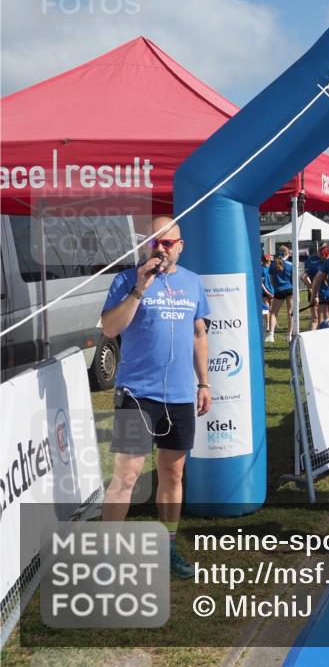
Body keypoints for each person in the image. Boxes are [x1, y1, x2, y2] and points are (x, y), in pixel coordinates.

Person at [99, 216, 210, 579]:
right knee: (127, 476)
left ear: (180, 246)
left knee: (173, 472)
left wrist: (204, 382)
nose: (160, 249)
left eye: (168, 243)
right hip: (136, 394)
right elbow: (111, 328)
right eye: (155, 243)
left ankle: (168, 548)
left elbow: (198, 335)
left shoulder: (193, 282)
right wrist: (139, 288)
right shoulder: (126, 280)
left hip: (179, 396)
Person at [267, 245, 295, 342]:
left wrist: (276, 286)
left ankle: (271, 335)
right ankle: (289, 335)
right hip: (290, 290)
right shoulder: (291, 265)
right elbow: (294, 279)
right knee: (290, 313)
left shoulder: (273, 265)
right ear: (287, 254)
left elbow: (271, 280)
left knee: (273, 313)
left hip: (278, 290)